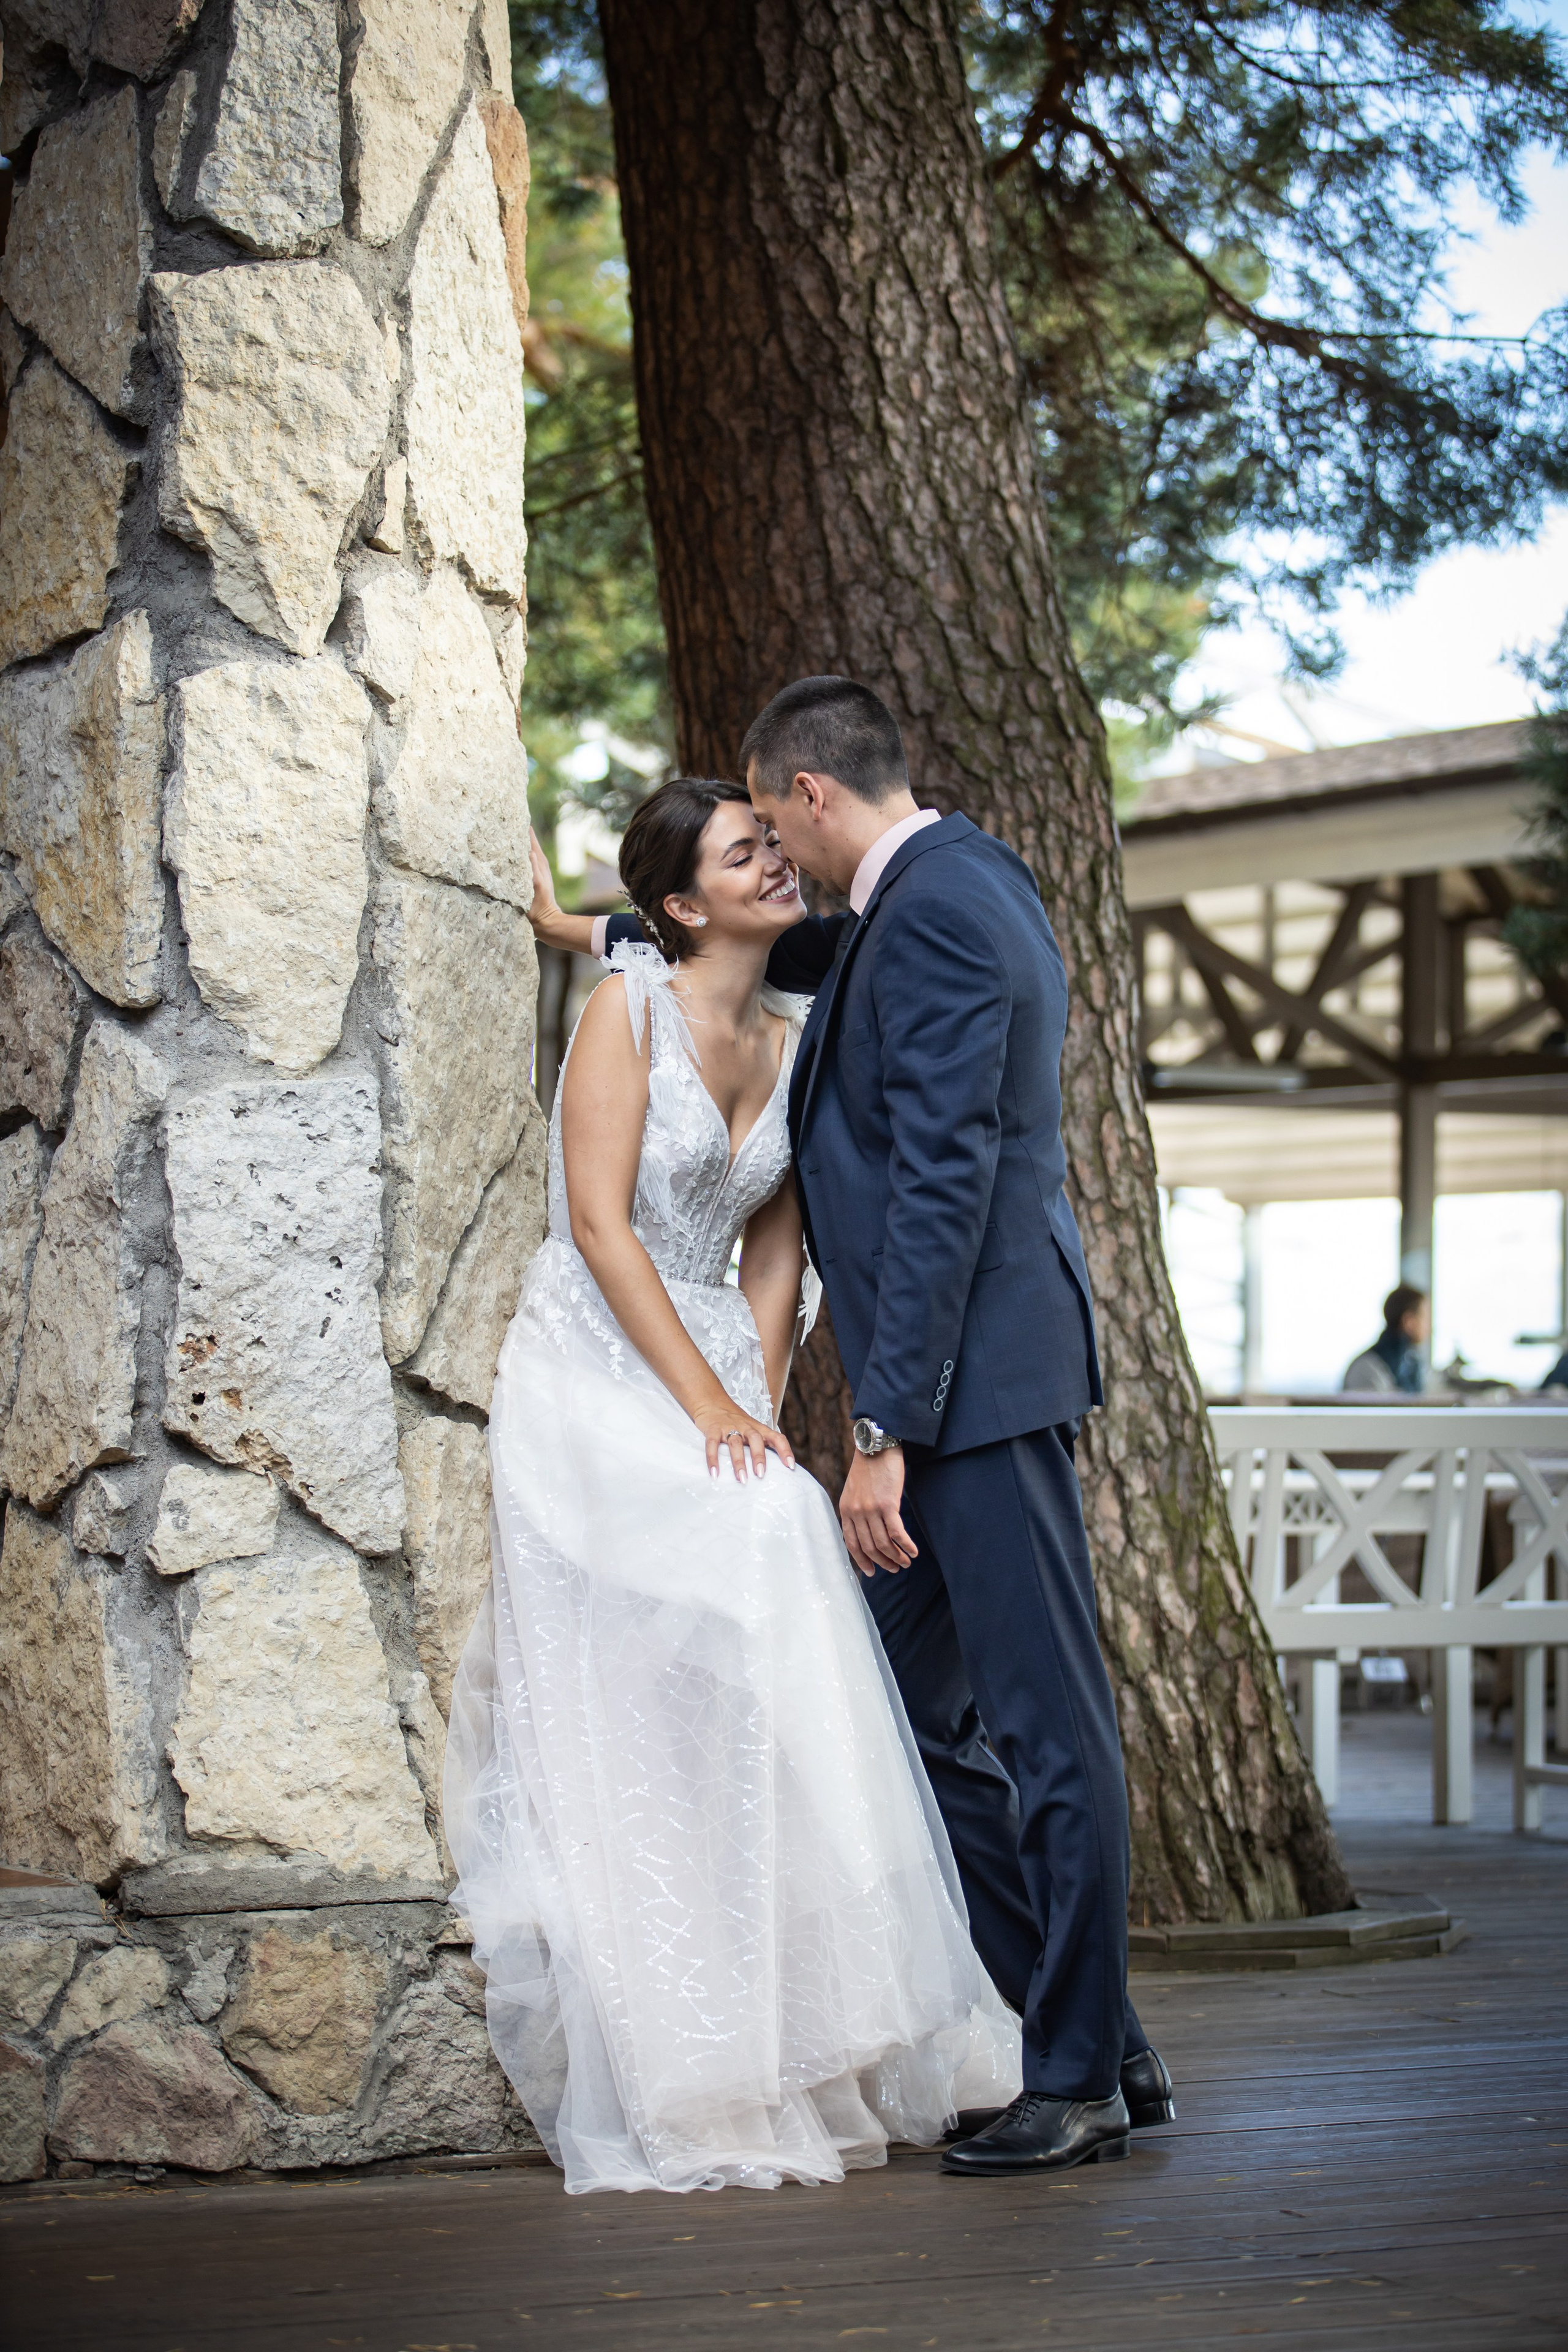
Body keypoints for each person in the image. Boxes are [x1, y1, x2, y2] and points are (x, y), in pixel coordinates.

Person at [552, 675, 1171, 2179]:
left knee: (1044, 1731)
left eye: (769, 824)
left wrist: (882, 1423)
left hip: (976, 1396)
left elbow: (951, 1179)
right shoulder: (930, 891)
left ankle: (1078, 2071)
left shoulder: (943, 904)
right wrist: (595, 927)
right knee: (894, 1713)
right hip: (951, 1396)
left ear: (807, 798)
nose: (770, 853)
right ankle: (1105, 2042)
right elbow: (761, 944)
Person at [445, 776, 1020, 2196]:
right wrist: (698, 1402)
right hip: (596, 1358)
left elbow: (775, 1244)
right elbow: (594, 1221)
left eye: (775, 837)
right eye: (742, 850)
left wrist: (750, 1395)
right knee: (654, 1661)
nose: (775, 857)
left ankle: (808, 2019)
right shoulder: (624, 1010)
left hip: (717, 1354)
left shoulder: (795, 1032)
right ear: (683, 905)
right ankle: (675, 2029)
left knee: (774, 1568)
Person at [1342, 1284, 1430, 1395]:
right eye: (1425, 1317)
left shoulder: (1410, 1363)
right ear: (1409, 1321)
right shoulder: (1367, 1368)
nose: (1429, 1327)